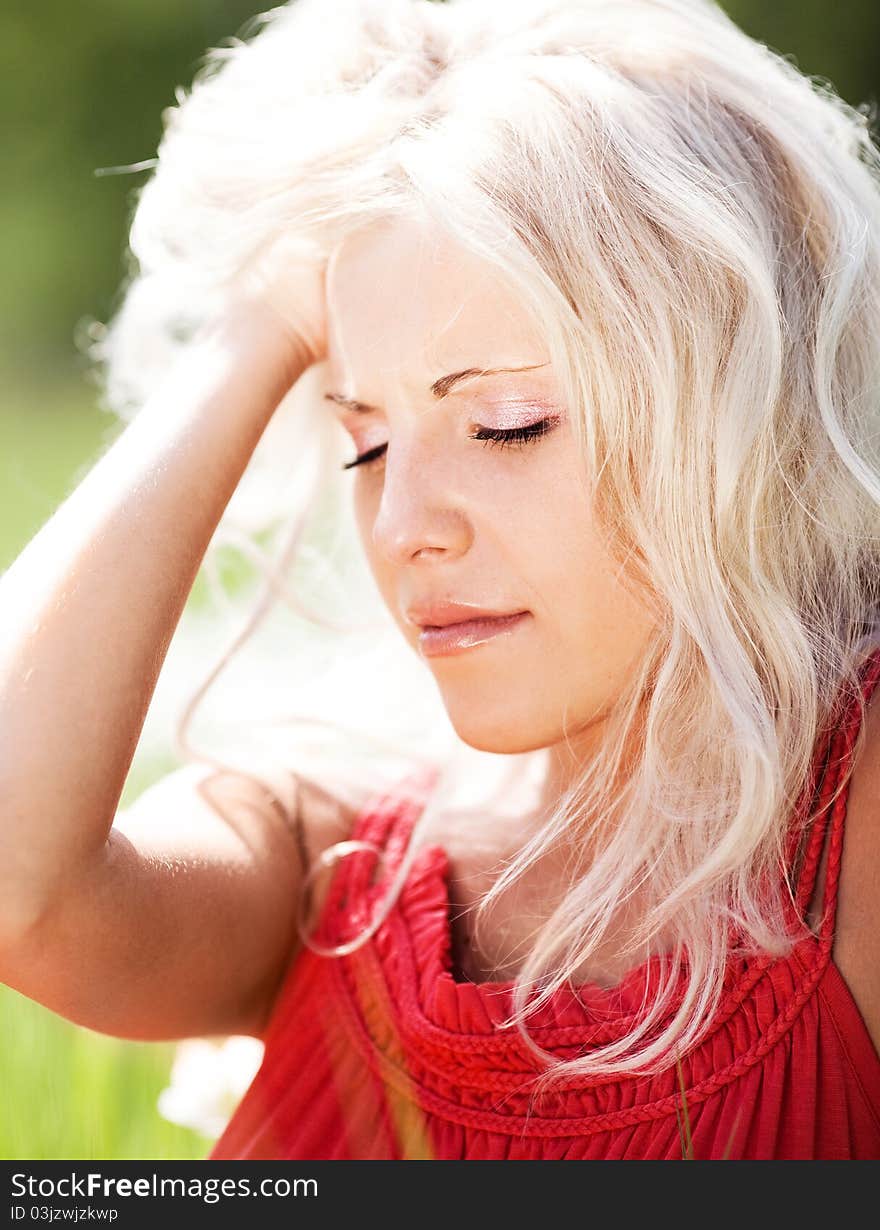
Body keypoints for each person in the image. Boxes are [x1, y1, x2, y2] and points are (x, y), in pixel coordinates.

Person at [1, 0, 879, 1161]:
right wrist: (255, 329)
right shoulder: (331, 856)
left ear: (734, 413)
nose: (404, 524)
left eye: (507, 424)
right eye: (364, 442)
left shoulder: (846, 832)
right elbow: (25, 896)